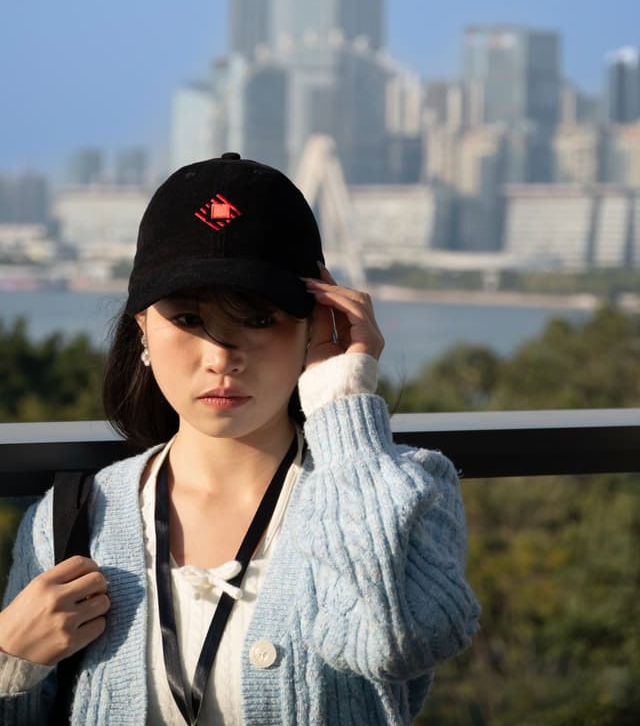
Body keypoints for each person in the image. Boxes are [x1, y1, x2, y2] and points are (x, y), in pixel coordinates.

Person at [0, 152, 479, 725]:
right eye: (188, 319)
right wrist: (8, 660)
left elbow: (390, 641)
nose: (222, 359)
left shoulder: (408, 491)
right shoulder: (72, 519)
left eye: (258, 319)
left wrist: (345, 400)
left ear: (317, 326)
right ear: (142, 328)